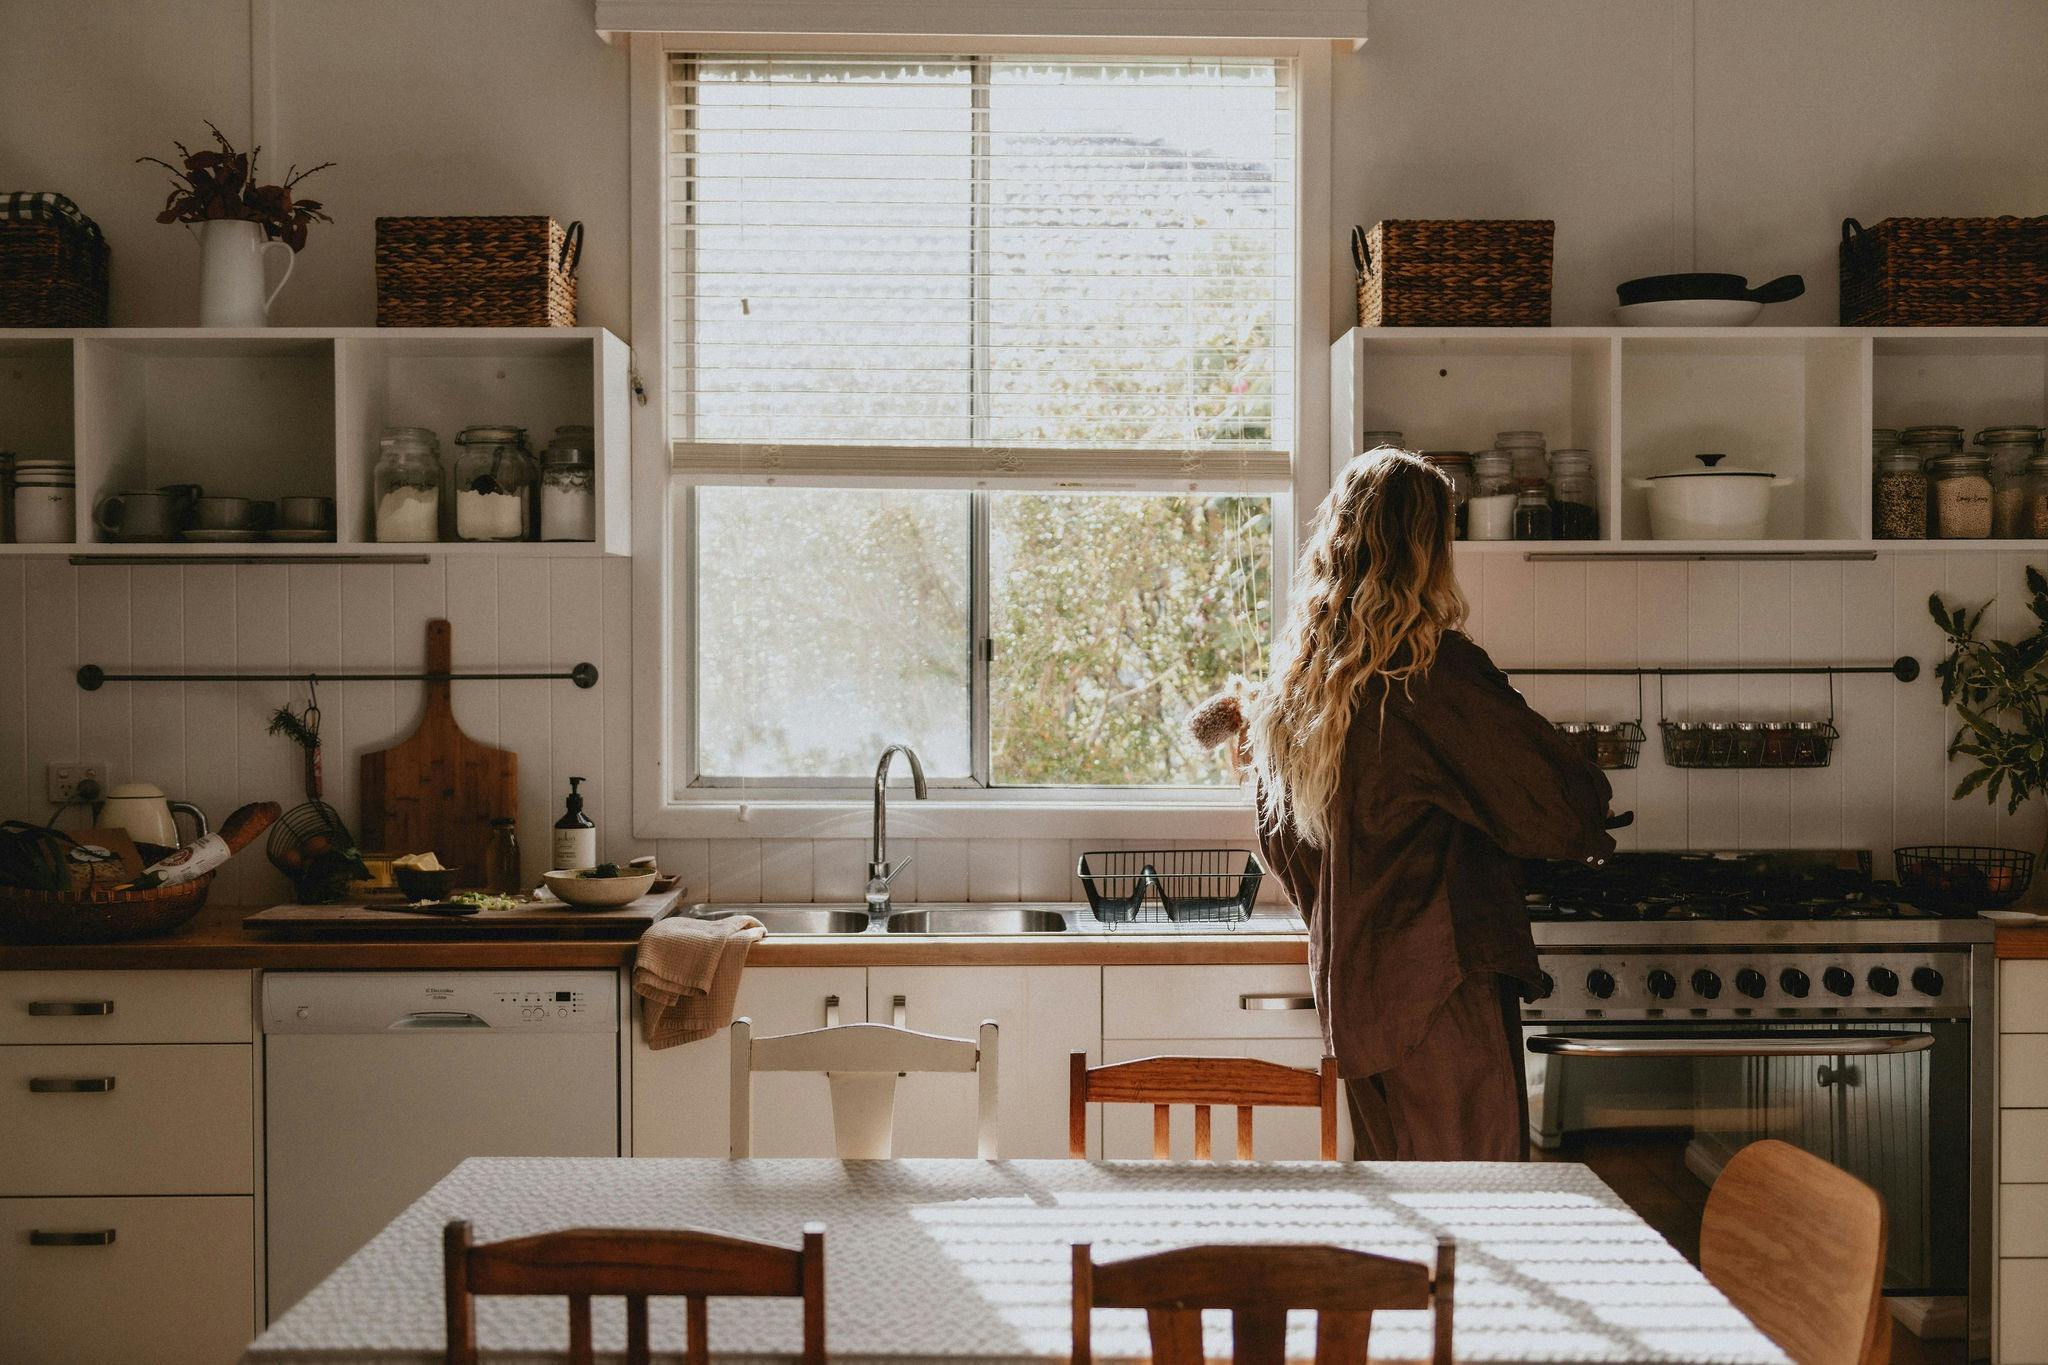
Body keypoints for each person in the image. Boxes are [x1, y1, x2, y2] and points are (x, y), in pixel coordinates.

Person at [1227, 447, 1614, 1161]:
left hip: (1359, 1006)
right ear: (1427, 551)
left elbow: (1283, 848)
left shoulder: (1298, 686)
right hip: (1440, 998)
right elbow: (1561, 808)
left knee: (1410, 1226)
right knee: (1479, 1222)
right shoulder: (1429, 674)